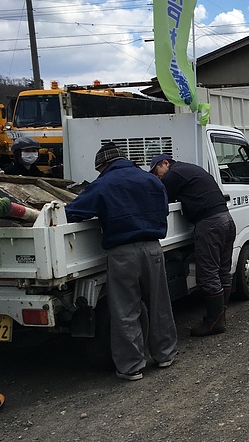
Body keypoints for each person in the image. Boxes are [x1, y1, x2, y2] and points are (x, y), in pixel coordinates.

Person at [64, 142, 178, 381]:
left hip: (122, 252)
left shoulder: (103, 183)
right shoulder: (152, 181)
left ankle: (131, 367)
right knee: (159, 304)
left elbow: (73, 212)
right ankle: (165, 354)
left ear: (104, 165)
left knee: (126, 309)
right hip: (153, 249)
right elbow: (164, 210)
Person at [150, 154, 236, 336]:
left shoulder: (173, 175)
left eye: (156, 172)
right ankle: (220, 316)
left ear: (165, 163)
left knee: (209, 272)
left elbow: (161, 199)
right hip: (226, 218)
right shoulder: (191, 169)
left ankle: (214, 322)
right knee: (223, 270)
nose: (158, 177)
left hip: (209, 224)